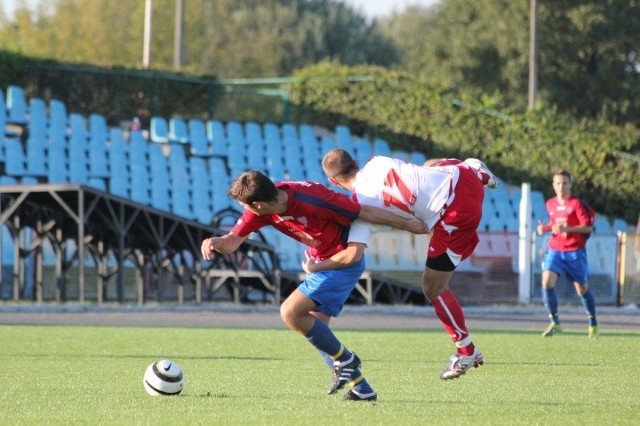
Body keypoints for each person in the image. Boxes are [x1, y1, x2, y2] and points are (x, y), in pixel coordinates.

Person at [200, 170, 426, 402]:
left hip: (341, 263)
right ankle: (362, 389)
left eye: (244, 205)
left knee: (290, 312)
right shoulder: (260, 210)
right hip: (320, 263)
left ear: (256, 204)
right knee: (319, 334)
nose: (244, 210)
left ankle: (347, 360)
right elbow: (231, 243)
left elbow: (364, 212)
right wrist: (215, 242)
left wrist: (408, 224)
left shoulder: (315, 198)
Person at [321, 148, 499, 380]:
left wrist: (317, 266)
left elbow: (352, 255)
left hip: (457, 213)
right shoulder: (377, 161)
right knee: (428, 163)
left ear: (333, 182)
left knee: (433, 288)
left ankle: (467, 351)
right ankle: (475, 168)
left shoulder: (362, 209)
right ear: (356, 161)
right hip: (461, 176)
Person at [536, 170, 599, 338]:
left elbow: (587, 227)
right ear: (553, 185)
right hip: (555, 249)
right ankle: (555, 322)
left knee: (581, 289)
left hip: (574, 252)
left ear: (570, 185)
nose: (561, 186)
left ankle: (593, 320)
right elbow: (554, 223)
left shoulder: (576, 204)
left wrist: (568, 229)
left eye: (564, 183)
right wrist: (545, 229)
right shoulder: (550, 203)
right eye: (558, 183)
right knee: (546, 281)